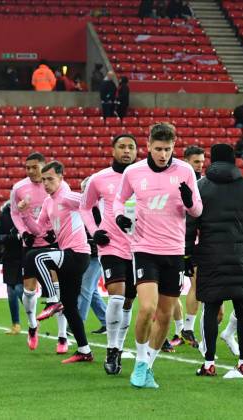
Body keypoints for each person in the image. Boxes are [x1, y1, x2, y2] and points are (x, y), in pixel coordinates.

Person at [113, 123, 202, 388]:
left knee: (165, 314)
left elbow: (197, 210)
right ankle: (140, 360)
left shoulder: (185, 171)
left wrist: (189, 200)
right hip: (144, 248)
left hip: (174, 251)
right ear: (149, 146)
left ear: (174, 146)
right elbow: (119, 200)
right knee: (148, 307)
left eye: (168, 149)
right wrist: (120, 215)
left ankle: (148, 364)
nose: (164, 154)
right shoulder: (133, 171)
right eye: (159, 149)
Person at [186, 143, 243, 377]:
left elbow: (190, 226)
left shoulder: (201, 187)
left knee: (211, 308)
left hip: (210, 257)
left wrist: (187, 257)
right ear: (234, 161)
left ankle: (209, 363)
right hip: (241, 258)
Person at [18, 161, 94, 364]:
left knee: (35, 257)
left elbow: (91, 202)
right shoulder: (48, 202)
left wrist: (98, 228)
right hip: (67, 256)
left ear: (61, 177)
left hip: (78, 254)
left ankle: (52, 299)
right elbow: (38, 231)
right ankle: (84, 350)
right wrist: (24, 214)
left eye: (50, 179)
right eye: (43, 180)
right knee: (70, 307)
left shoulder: (68, 196)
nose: (45, 183)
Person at [80, 134, 139, 375]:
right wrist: (95, 232)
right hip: (112, 246)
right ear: (113, 150)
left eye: (131, 147)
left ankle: (120, 346)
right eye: (122, 146)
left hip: (141, 247)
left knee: (128, 301)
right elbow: (84, 207)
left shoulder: (144, 176)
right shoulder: (99, 178)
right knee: (117, 295)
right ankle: (112, 350)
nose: (127, 151)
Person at [10, 152, 68, 354]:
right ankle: (33, 325)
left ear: (44, 167)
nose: (31, 171)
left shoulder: (58, 186)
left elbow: (65, 209)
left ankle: (62, 336)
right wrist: (23, 232)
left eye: (35, 167)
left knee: (59, 289)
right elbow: (14, 213)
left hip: (53, 242)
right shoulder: (18, 188)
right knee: (28, 289)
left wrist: (57, 231)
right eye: (27, 168)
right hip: (32, 242)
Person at [165, 145, 207, 352]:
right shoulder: (180, 182)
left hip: (195, 244)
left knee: (190, 288)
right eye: (196, 162)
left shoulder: (205, 184)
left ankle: (183, 329)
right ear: (187, 162)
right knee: (171, 291)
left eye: (202, 161)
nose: (200, 165)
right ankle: (182, 329)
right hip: (176, 242)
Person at [77, 177, 107, 336]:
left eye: (86, 190)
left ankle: (77, 323)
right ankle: (107, 320)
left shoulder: (98, 208)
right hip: (88, 253)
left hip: (96, 254)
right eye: (82, 190)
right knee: (91, 290)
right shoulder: (88, 208)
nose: (83, 193)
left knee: (86, 288)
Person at [0, 201, 24, 335]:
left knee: (19, 289)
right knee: (11, 292)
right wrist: (10, 237)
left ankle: (33, 321)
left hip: (24, 255)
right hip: (9, 257)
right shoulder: (4, 214)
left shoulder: (28, 212)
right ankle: (15, 324)